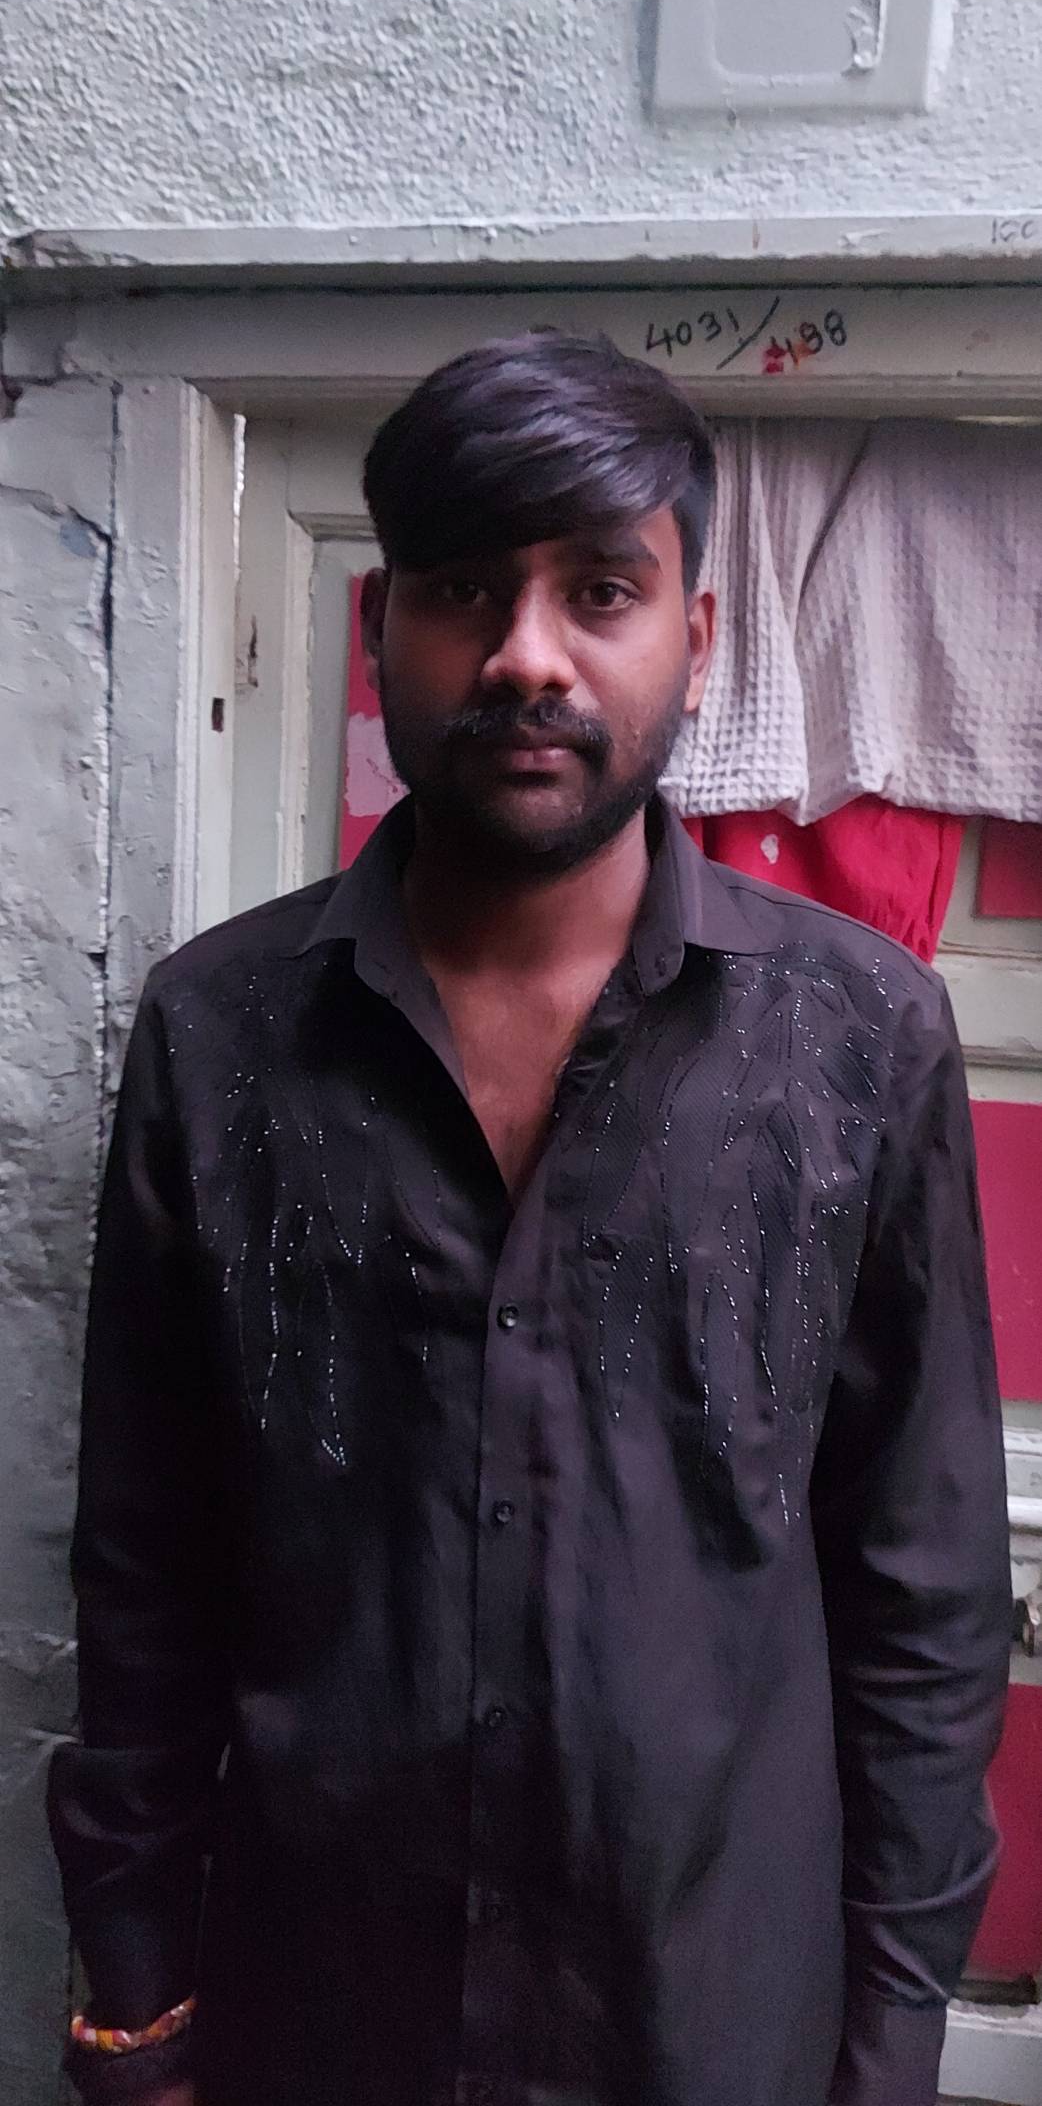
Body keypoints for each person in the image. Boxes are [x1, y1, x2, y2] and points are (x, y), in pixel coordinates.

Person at [50, 332, 1011, 2106]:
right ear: (380, 632)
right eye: (463, 590)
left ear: (694, 637)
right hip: (314, 2009)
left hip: (715, 2016)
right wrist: (134, 1987)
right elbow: (147, 1555)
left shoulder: (857, 1036)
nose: (525, 655)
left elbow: (921, 1577)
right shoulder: (220, 1034)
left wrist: (888, 2034)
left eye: (599, 590)